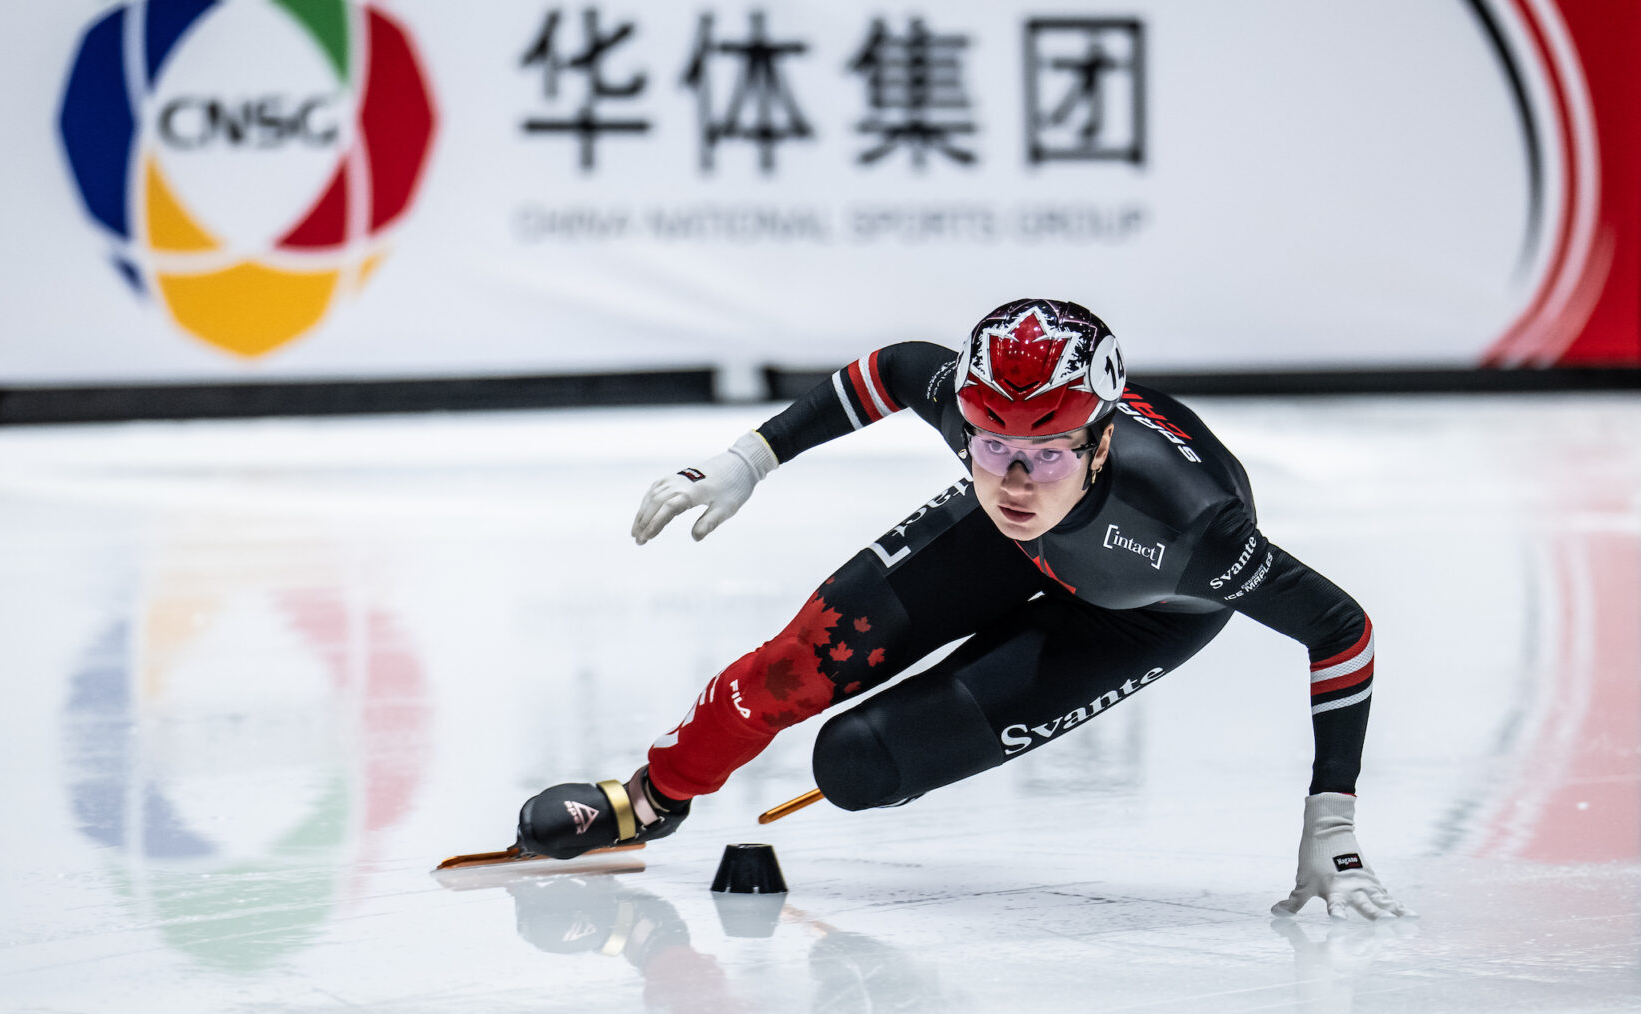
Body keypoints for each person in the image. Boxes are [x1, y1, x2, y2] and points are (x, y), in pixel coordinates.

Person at [514, 298, 1412, 921]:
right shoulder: (983, 431)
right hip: (992, 546)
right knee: (792, 665)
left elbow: (1342, 629)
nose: (1015, 480)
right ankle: (651, 795)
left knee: (856, 764)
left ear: (1102, 440)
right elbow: (890, 368)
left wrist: (1330, 821)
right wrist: (750, 457)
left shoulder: (1196, 528)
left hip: (1138, 611)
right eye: (989, 445)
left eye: (1048, 454)